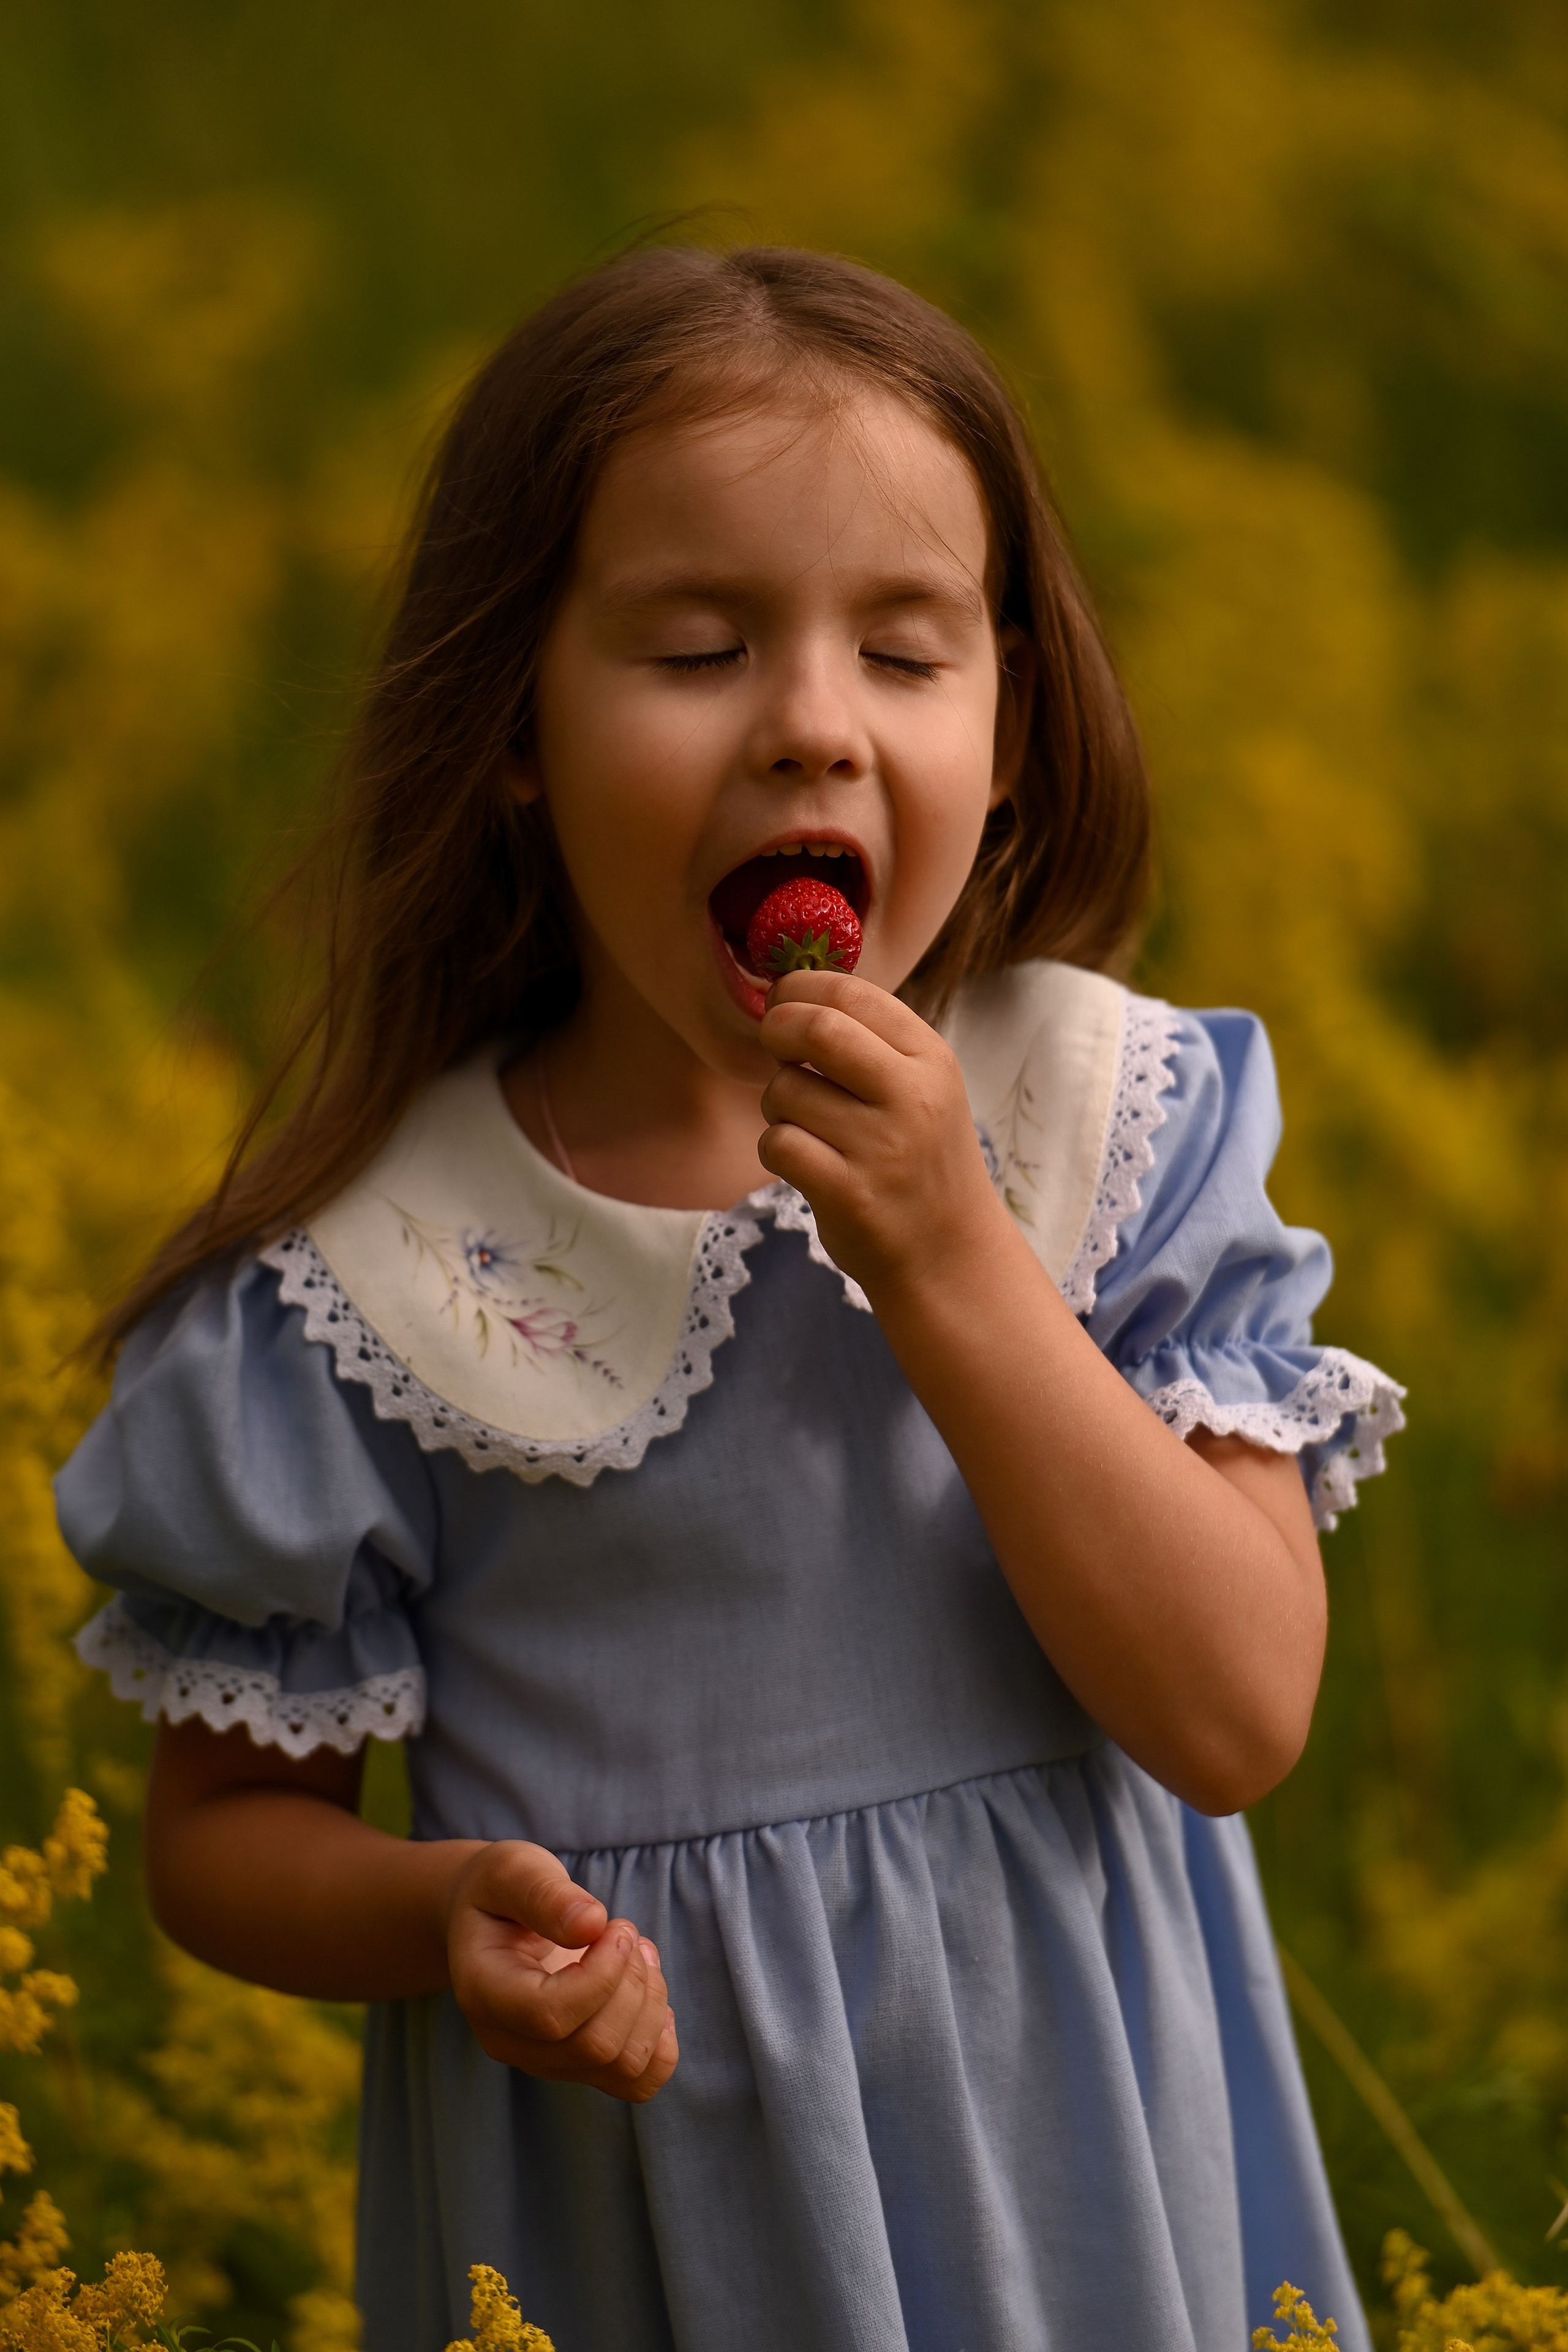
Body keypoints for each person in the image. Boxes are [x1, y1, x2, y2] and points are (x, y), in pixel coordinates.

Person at [56, 244, 1402, 2352]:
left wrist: (957, 1261)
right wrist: (436, 1921)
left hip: (1080, 2205)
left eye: (906, 651)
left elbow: (1235, 1712)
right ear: (514, 725)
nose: (810, 727)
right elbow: (223, 1841)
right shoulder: (395, 1276)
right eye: (696, 650)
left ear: (1018, 727)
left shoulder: (1102, 1131)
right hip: (645, 2236)